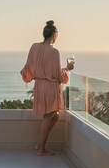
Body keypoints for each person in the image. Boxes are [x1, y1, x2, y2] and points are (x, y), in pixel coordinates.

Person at [21, 20, 73, 155]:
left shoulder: (34, 47)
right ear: (54, 35)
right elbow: (58, 75)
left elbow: (29, 67)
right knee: (48, 116)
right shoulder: (54, 52)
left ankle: (40, 144)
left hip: (40, 85)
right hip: (50, 87)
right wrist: (68, 69)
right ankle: (41, 148)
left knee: (54, 116)